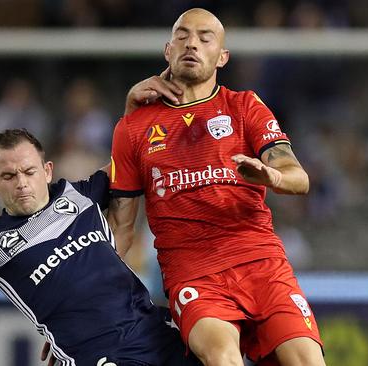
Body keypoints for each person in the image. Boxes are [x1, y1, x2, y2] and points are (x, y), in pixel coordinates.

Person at [0, 129, 201, 366]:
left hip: (157, 333)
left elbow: (138, 148)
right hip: (99, 355)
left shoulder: (81, 194)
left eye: (28, 171)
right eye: (9, 176)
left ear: (47, 170)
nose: (22, 183)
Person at [108, 8, 325, 366]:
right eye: (182, 35)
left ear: (222, 57)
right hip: (193, 271)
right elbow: (122, 231)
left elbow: (298, 177)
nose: (192, 43)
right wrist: (85, 312)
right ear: (168, 50)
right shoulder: (133, 128)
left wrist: (273, 177)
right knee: (223, 358)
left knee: (306, 360)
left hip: (262, 263)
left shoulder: (245, 107)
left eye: (205, 37)